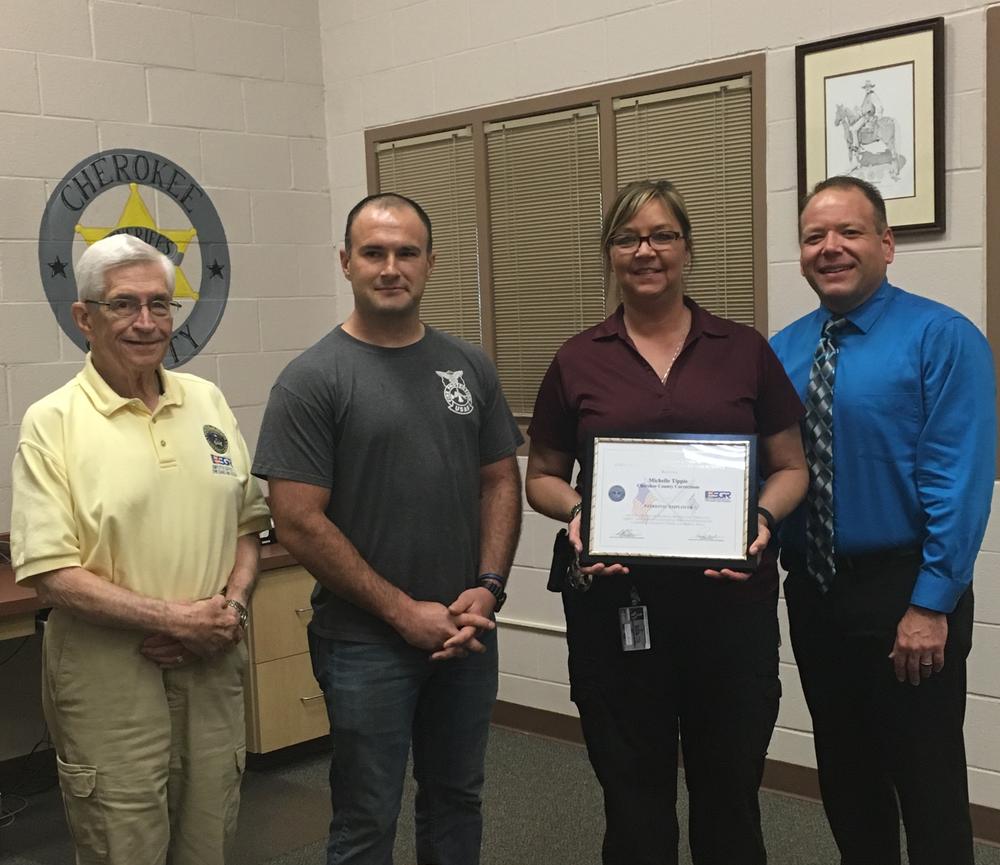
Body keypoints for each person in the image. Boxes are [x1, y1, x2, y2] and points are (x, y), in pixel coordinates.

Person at [524, 179, 808, 865]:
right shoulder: (577, 358)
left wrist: (763, 516)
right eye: (629, 237)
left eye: (661, 235)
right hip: (616, 610)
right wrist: (580, 510)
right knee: (633, 799)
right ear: (610, 252)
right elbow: (541, 478)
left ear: (687, 248)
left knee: (730, 794)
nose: (645, 250)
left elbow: (792, 467)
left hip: (730, 611)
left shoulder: (743, 349)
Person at [252, 192, 523, 865]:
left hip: (465, 632)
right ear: (346, 263)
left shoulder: (468, 365)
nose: (391, 266)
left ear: (431, 263)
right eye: (374, 252)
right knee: (367, 817)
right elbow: (297, 518)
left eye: (407, 252)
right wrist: (404, 612)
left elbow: (499, 479)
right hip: (364, 642)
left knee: (457, 798)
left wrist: (488, 587)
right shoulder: (312, 380)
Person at [10, 234, 270, 865]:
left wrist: (229, 611)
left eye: (161, 304)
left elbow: (247, 527)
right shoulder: (53, 421)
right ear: (85, 316)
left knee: (211, 834)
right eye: (125, 305)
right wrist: (174, 620)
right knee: (123, 841)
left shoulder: (205, 400)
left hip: (213, 660)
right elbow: (50, 573)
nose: (147, 322)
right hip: (111, 678)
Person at [770, 175, 995, 865]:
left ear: (887, 244)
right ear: (801, 252)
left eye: (849, 232)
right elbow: (761, 471)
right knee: (846, 775)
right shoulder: (780, 350)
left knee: (926, 783)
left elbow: (959, 481)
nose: (830, 247)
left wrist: (931, 602)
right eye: (814, 236)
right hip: (815, 589)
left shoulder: (943, 337)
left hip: (907, 591)